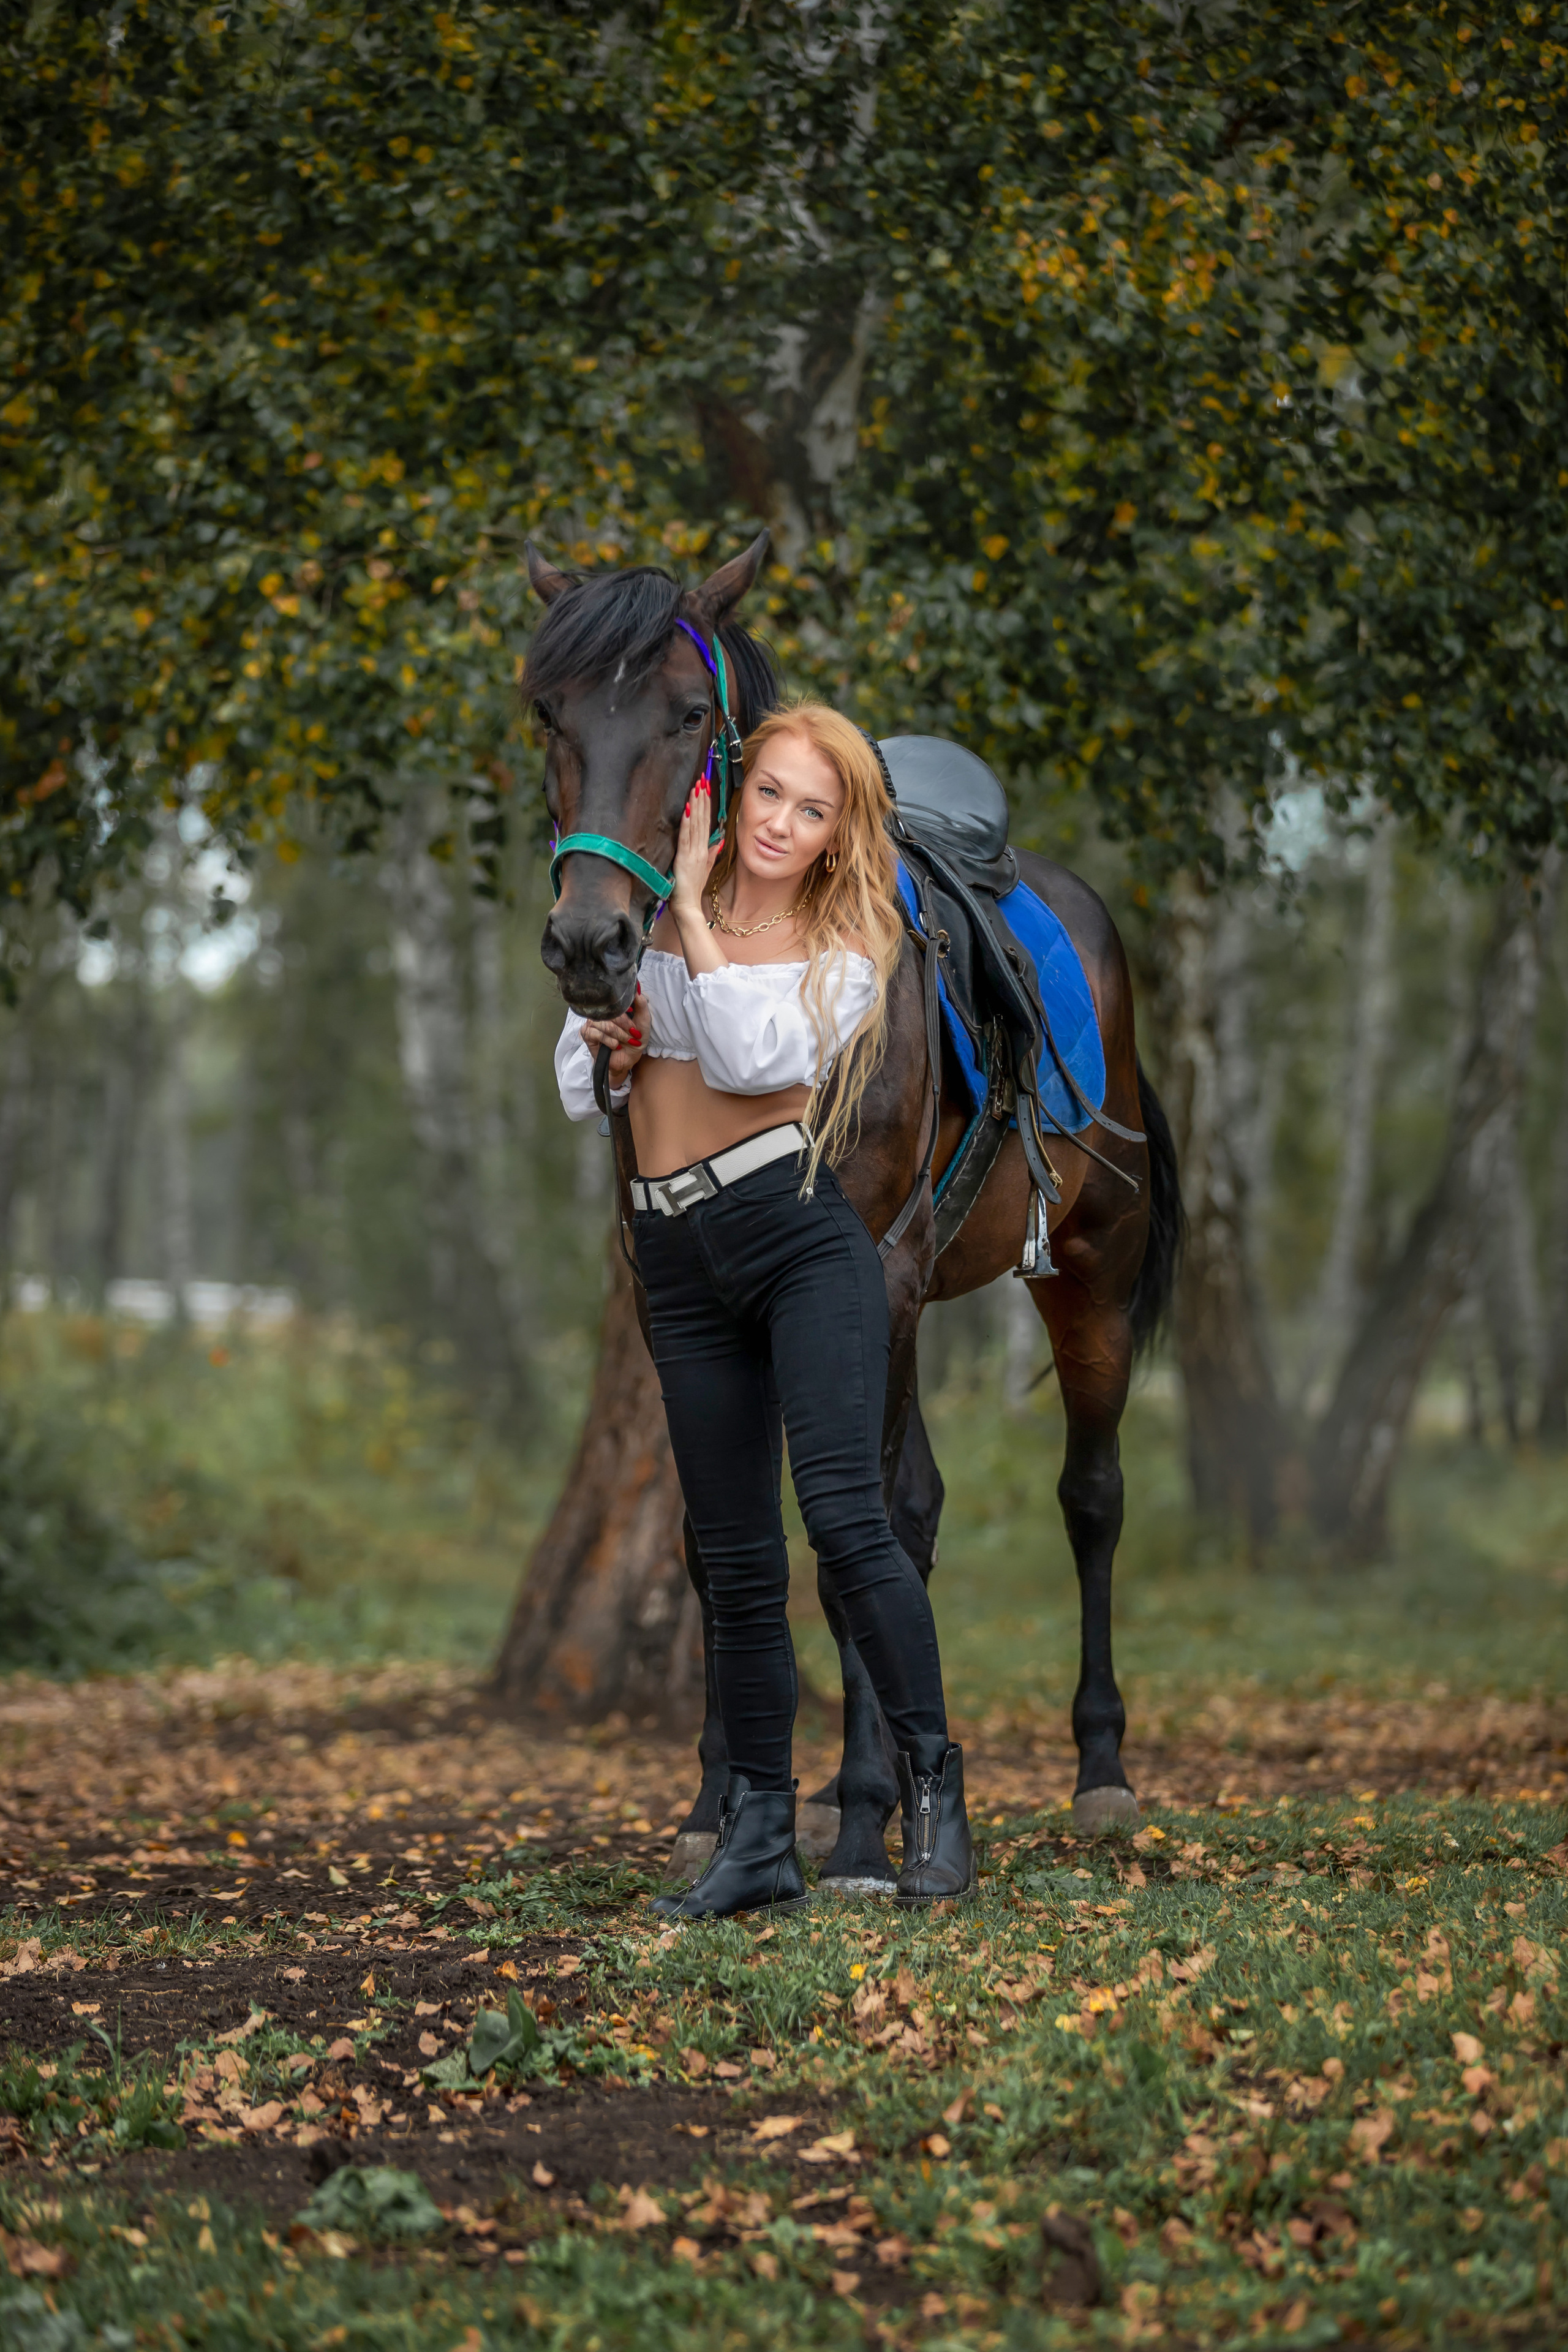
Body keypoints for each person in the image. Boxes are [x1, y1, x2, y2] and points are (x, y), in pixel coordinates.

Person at [554, 698, 974, 1920]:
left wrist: (687, 918)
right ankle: (755, 1834)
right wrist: (611, 1039)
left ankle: (933, 1797)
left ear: (842, 830)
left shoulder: (848, 944)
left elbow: (744, 1059)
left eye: (814, 806)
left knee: (846, 1527)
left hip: (796, 1239)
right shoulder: (643, 920)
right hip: (674, 1255)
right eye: (768, 794)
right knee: (734, 1563)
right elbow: (579, 1084)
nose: (782, 822)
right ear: (729, 794)